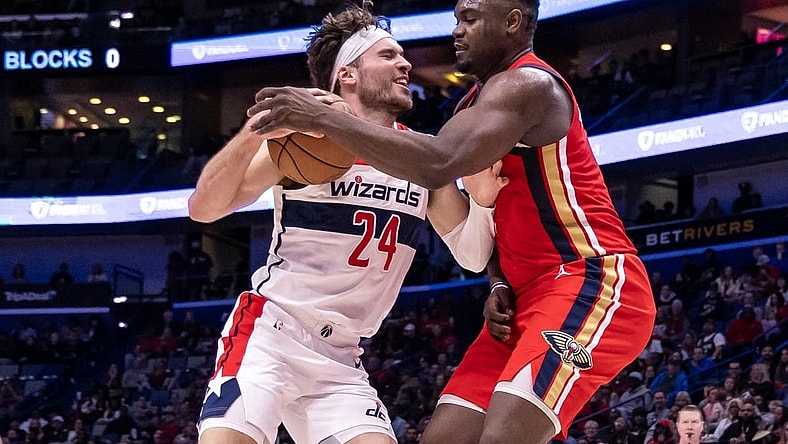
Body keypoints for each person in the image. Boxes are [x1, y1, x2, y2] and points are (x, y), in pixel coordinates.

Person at [247, 1, 657, 442]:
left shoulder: (528, 84)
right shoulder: (472, 104)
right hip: (523, 298)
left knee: (504, 436)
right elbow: (496, 215)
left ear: (512, 21)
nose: (457, 30)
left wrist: (323, 117)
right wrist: (499, 281)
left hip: (590, 279)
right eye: (457, 18)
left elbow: (437, 163)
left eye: (471, 18)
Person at [189, 3, 506, 444]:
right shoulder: (305, 141)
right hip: (272, 335)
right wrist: (259, 129)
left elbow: (472, 258)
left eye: (402, 55)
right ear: (348, 75)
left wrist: (485, 203)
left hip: (342, 356)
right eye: (389, 55)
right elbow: (203, 209)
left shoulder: (422, 155)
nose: (405, 63)